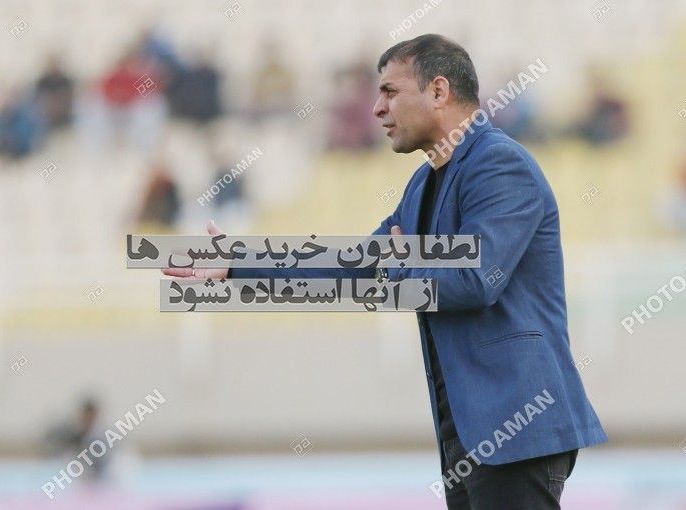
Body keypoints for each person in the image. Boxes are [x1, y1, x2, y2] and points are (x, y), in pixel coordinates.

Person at [163, 34, 607, 509]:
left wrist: (399, 267)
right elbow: (356, 265)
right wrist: (240, 263)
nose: (377, 108)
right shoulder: (423, 183)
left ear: (439, 91)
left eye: (390, 92)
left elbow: (477, 281)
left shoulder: (500, 165)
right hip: (469, 434)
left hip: (516, 426)